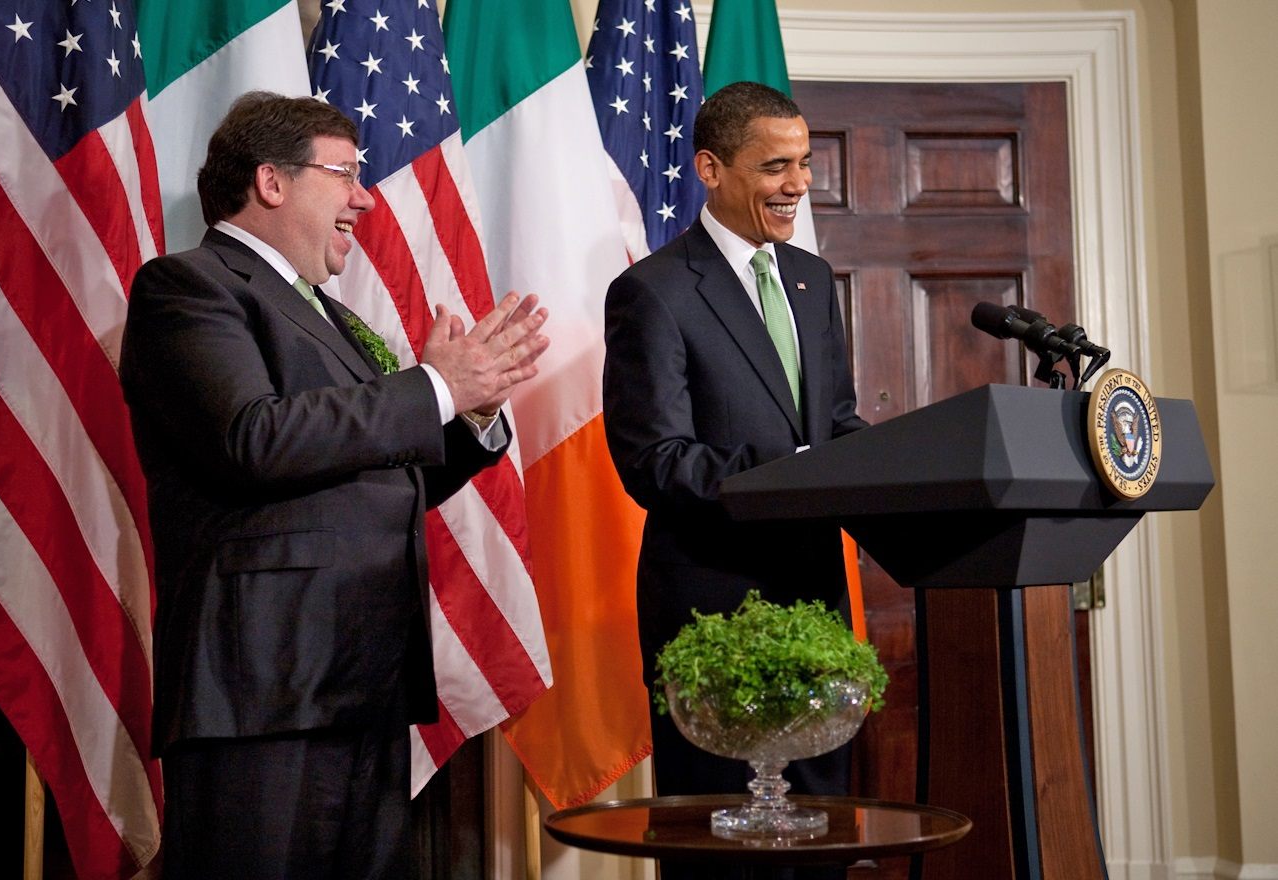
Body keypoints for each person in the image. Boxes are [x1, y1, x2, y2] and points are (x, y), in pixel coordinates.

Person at [119, 91, 548, 879]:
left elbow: (383, 479)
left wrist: (471, 412)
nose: (365, 196)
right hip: (262, 687)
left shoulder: (334, 319)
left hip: (364, 677)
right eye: (346, 173)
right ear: (272, 182)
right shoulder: (188, 288)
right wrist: (432, 389)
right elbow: (254, 438)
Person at [602, 81, 869, 878]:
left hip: (816, 604)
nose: (798, 185)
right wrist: (789, 475)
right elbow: (654, 461)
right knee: (727, 851)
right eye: (776, 166)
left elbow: (840, 426)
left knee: (821, 837)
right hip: (713, 608)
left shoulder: (813, 281)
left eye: (806, 164)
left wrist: (900, 474)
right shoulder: (652, 291)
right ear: (711, 169)